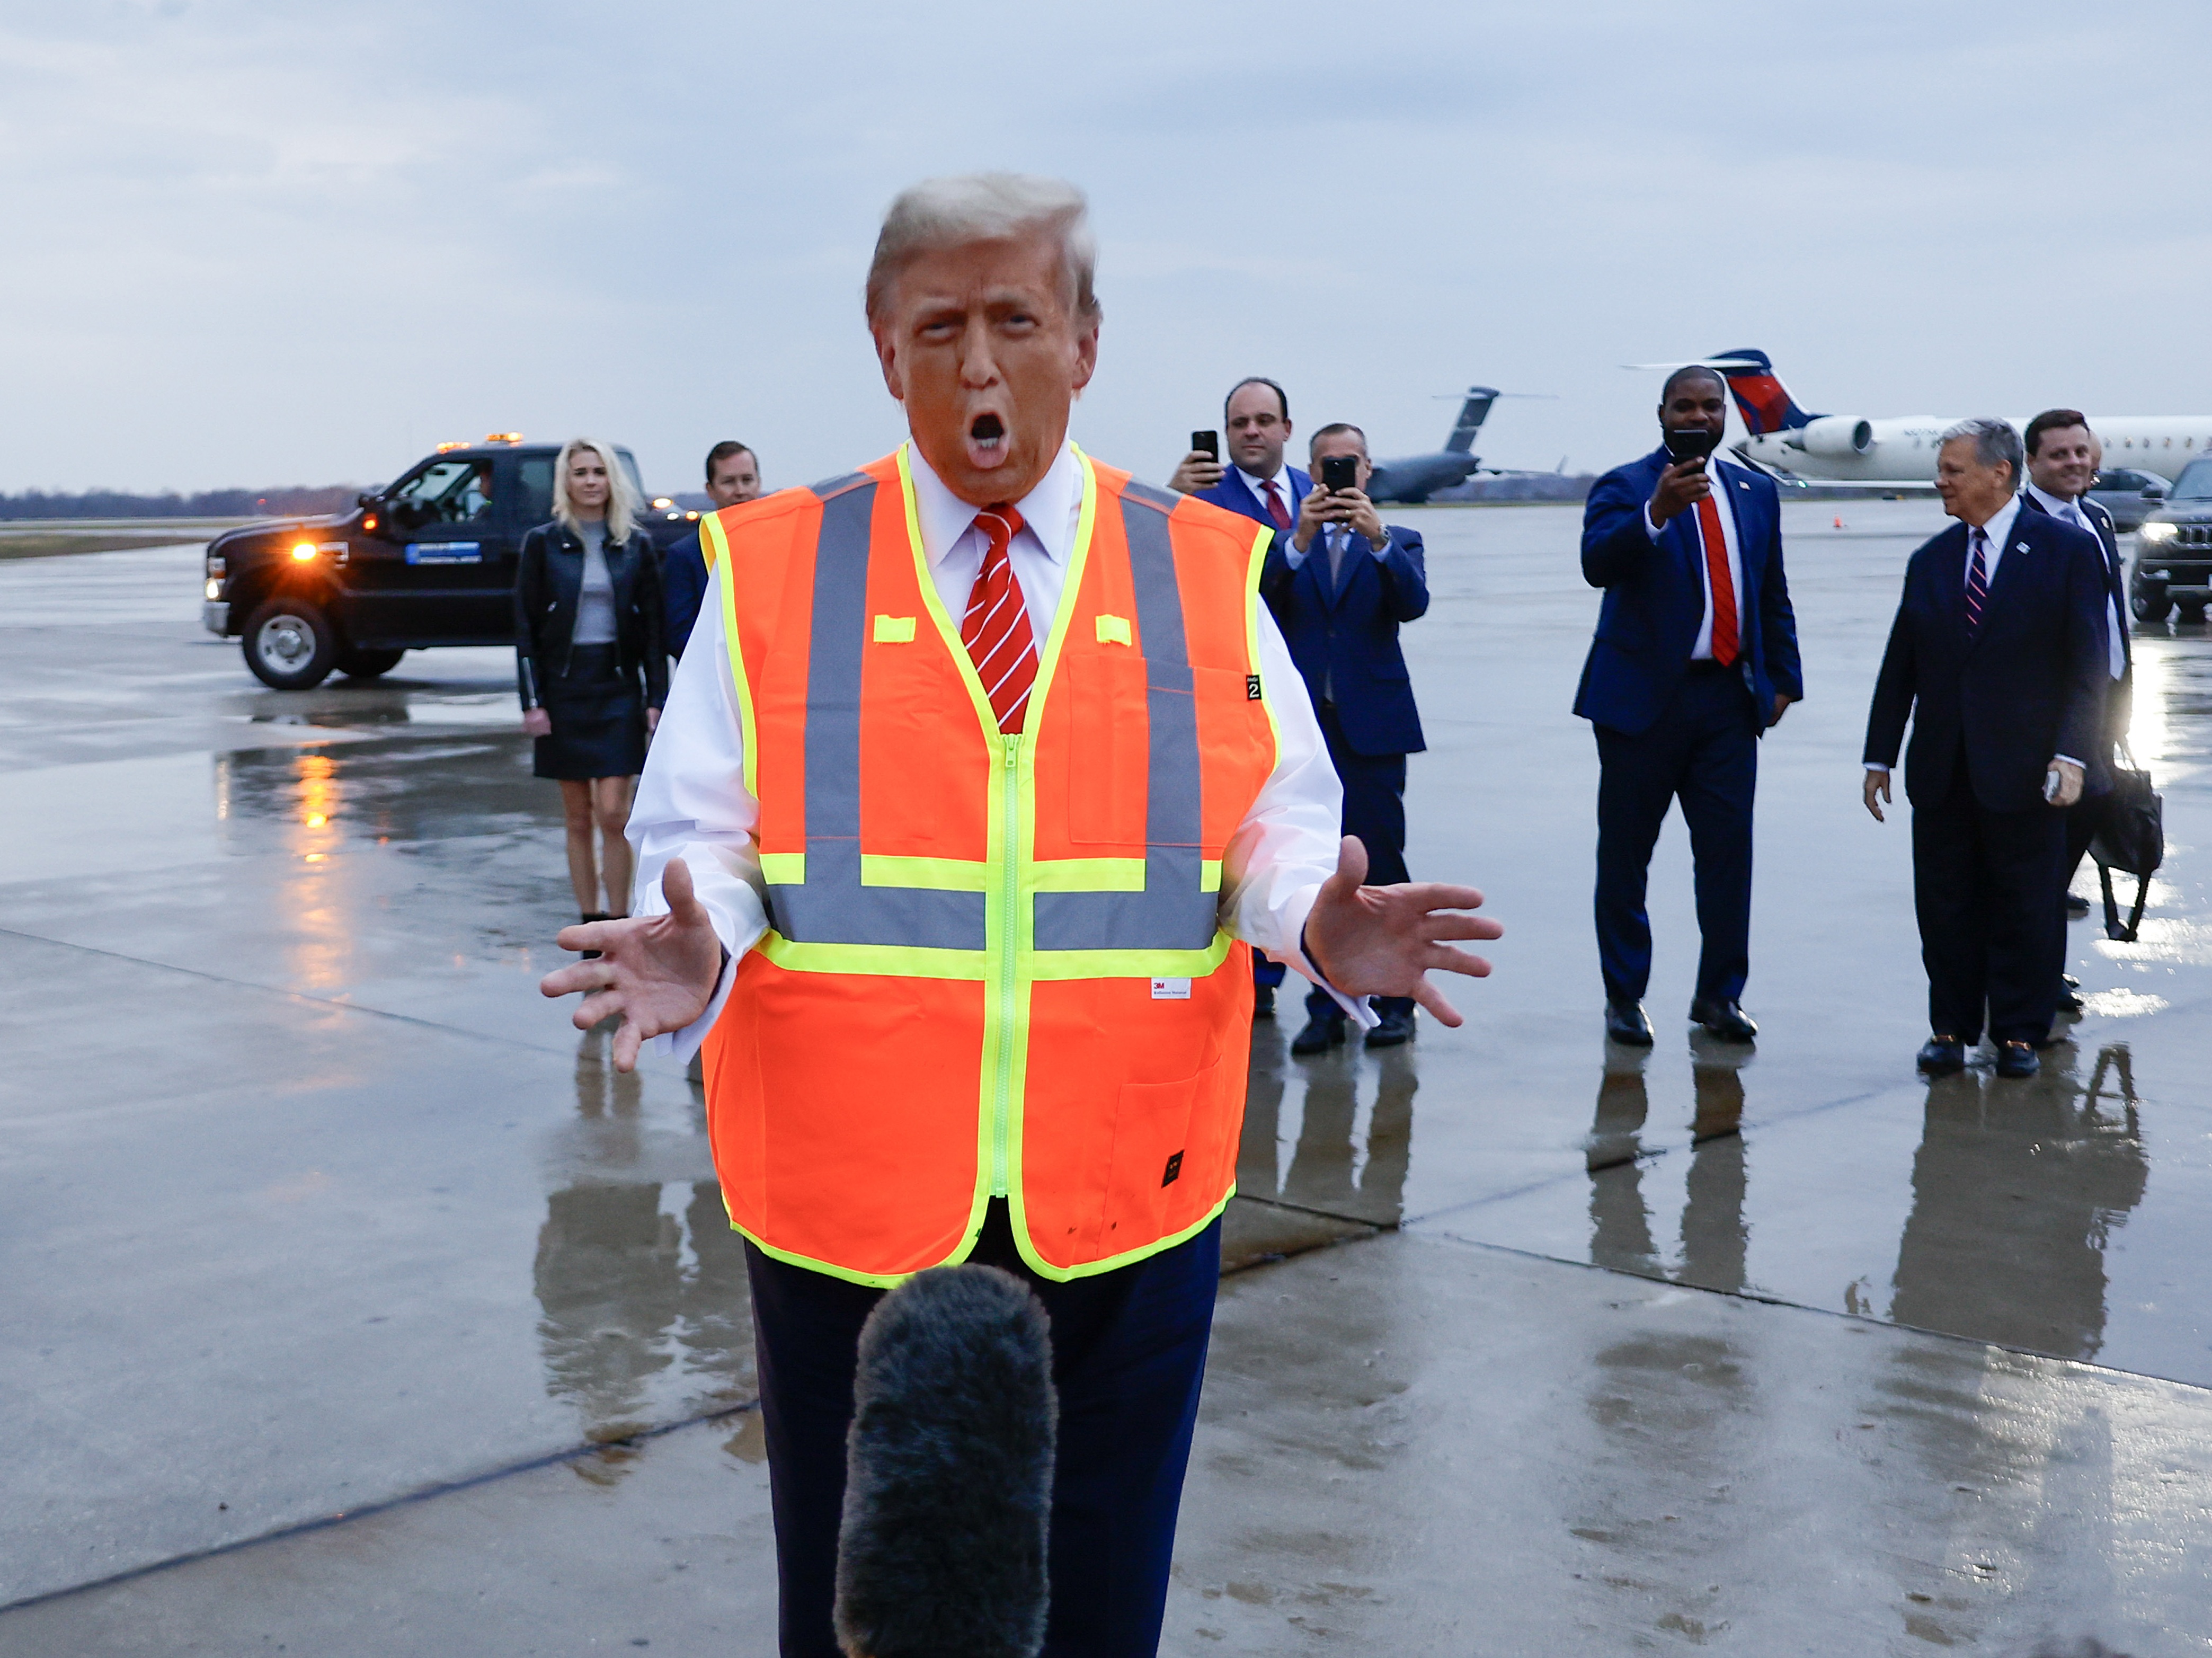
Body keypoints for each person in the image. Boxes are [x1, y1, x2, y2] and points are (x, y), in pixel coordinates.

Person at [538, 172, 1504, 1658]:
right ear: (881, 346)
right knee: (856, 1607)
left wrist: (1315, 920)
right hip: (844, 1194)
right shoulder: (772, 566)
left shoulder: (1199, 566)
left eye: (1013, 320)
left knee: (1100, 1599)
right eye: (937, 327)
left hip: (1125, 1179)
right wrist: (702, 937)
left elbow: (1269, 820)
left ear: (1085, 340)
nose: (976, 364)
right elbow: (697, 829)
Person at [1862, 418, 2108, 1080]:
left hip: (2029, 769)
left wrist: (2072, 754)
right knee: (1943, 905)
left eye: (1952, 469)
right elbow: (1899, 667)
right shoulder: (1931, 561)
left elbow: (2088, 669)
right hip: (1943, 769)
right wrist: (1877, 755)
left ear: (1998, 473)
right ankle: (1949, 1027)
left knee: (2025, 904)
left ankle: (2020, 1034)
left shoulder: (2062, 552)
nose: (1939, 481)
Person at [1576, 366, 1801, 1048]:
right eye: (1684, 406)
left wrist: (1783, 679)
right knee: (1625, 860)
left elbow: (1771, 592)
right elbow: (1597, 563)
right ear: (1661, 413)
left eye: (1710, 406)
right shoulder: (1623, 485)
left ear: (1725, 416)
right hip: (1640, 704)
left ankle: (1719, 996)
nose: (1697, 417)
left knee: (1728, 858)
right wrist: (1658, 512)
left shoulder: (1755, 490)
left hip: (1727, 701)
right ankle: (1623, 996)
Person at [1262, 421, 1431, 1054]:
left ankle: (1395, 1001)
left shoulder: (1399, 541)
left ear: (1367, 472)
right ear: (1310, 474)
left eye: (1349, 465)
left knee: (1381, 867)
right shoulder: (1286, 546)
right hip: (1306, 732)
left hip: (1373, 730)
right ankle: (1327, 1004)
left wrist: (1377, 538)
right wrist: (1301, 537)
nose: (1339, 475)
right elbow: (1260, 601)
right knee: (1312, 870)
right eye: (1326, 465)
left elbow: (1412, 604)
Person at [1167, 376, 1312, 1017]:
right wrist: (1168, 508)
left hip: (1329, 702)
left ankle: (1333, 989)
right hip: (1238, 699)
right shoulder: (1198, 501)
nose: (1250, 432)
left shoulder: (1321, 495)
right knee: (1242, 851)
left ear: (1286, 429)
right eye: (1238, 424)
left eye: (1262, 421)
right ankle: (1253, 992)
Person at [516, 437, 668, 933]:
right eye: (580, 472)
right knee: (578, 817)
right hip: (564, 688)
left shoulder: (635, 545)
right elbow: (525, 628)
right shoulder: (543, 543)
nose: (590, 481)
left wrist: (655, 699)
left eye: (598, 472)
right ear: (566, 481)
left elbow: (653, 630)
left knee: (613, 812)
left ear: (611, 480)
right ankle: (588, 922)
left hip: (617, 686)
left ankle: (618, 920)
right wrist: (533, 701)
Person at [2019, 409, 2132, 980]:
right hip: (2052, 716)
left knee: (2074, 839)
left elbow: (2111, 620)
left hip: (2103, 708)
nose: (2073, 463)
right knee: (2040, 850)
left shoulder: (2098, 519)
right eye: (2058, 455)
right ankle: (2028, 973)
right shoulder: (2019, 527)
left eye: (2080, 452)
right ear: (2031, 462)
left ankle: (2041, 965)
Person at [662, 441, 763, 658]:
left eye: (747, 480)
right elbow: (679, 636)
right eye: (729, 482)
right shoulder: (685, 556)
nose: (740, 491)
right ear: (710, 490)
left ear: (759, 483)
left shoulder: (781, 547)